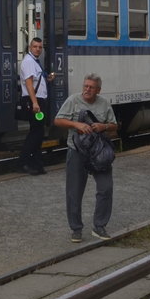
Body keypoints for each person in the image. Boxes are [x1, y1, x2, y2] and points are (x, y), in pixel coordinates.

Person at [54, 73, 118, 243]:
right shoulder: (73, 101)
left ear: (98, 90)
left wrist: (103, 126)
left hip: (99, 154)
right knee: (74, 192)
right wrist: (76, 124)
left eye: (91, 87)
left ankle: (99, 226)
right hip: (77, 151)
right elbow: (58, 120)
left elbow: (114, 126)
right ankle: (76, 229)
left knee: (106, 188)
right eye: (85, 86)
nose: (87, 90)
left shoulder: (104, 103)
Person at [18, 38, 55, 174]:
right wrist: (34, 103)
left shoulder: (35, 62)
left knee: (38, 133)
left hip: (38, 100)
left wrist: (48, 79)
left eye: (40, 47)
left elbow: (35, 81)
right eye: (35, 46)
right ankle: (23, 162)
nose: (38, 49)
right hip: (33, 101)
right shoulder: (28, 62)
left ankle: (37, 164)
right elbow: (28, 84)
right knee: (36, 133)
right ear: (30, 47)